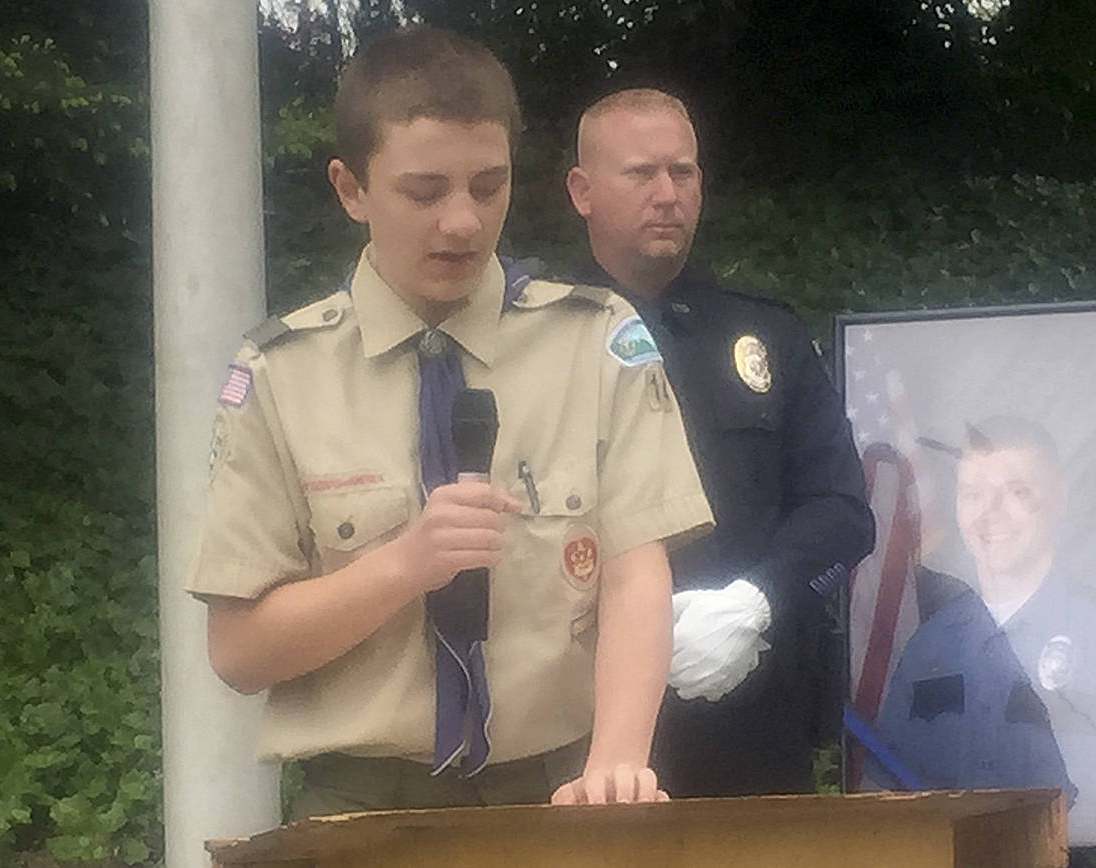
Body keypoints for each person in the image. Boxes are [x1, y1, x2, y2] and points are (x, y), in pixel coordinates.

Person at [187, 29, 714, 814]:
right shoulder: (281, 376)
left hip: (558, 793)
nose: (464, 222)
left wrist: (616, 761)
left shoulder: (596, 341)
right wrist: (406, 564)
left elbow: (636, 571)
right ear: (351, 188)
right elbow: (239, 652)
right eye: (425, 191)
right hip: (362, 808)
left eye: (488, 186)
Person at [565, 88, 875, 797]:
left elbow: (843, 511)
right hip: (580, 739)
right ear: (582, 190)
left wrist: (755, 603)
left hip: (751, 724)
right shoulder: (535, 340)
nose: (668, 194)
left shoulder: (766, 335)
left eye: (685, 172)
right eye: (641, 174)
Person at [872, 416, 1096, 843]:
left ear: (1057, 496)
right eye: (973, 494)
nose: (990, 513)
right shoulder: (929, 647)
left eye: (1017, 492)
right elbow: (885, 802)